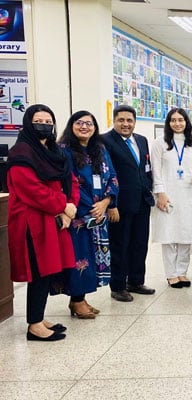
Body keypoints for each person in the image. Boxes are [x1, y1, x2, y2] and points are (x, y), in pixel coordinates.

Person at [7, 104, 79, 341]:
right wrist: (62, 205)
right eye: (39, 121)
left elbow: (69, 180)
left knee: (47, 270)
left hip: (55, 219)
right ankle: (34, 325)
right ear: (29, 123)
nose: (44, 125)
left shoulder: (54, 151)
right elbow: (30, 189)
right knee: (38, 271)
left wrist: (69, 209)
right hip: (33, 222)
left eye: (49, 122)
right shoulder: (21, 152)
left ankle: (38, 317)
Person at [59, 111, 118, 318]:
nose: (84, 127)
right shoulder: (64, 150)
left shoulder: (99, 149)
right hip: (79, 217)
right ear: (71, 125)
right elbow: (69, 184)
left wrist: (106, 202)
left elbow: (112, 176)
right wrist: (91, 208)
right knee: (79, 258)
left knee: (92, 259)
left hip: (98, 214)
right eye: (79, 123)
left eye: (89, 123)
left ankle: (81, 299)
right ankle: (76, 300)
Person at [103, 104, 156, 302]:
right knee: (120, 245)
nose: (126, 124)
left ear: (134, 122)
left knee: (139, 244)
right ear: (114, 120)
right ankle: (117, 285)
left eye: (129, 120)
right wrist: (110, 203)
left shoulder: (141, 141)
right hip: (120, 204)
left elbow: (145, 168)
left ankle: (136, 280)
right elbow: (106, 172)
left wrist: (148, 186)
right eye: (121, 120)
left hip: (142, 201)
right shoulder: (105, 141)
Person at [151, 108, 192, 288]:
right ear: (168, 123)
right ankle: (171, 273)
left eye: (180, 120)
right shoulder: (160, 143)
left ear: (186, 122)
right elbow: (156, 171)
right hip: (168, 193)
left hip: (189, 194)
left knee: (186, 234)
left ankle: (182, 272)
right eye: (173, 120)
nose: (177, 123)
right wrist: (160, 193)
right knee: (169, 235)